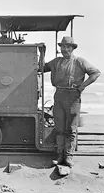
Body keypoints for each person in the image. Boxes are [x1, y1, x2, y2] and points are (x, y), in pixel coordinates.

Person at [41, 36, 100, 168]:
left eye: (68, 47)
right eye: (62, 47)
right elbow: (41, 68)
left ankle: (68, 157)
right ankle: (60, 156)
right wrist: (42, 54)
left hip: (73, 96)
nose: (64, 49)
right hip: (59, 95)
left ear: (72, 48)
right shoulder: (56, 62)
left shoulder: (80, 61)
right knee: (59, 128)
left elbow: (95, 73)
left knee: (71, 128)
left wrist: (82, 86)